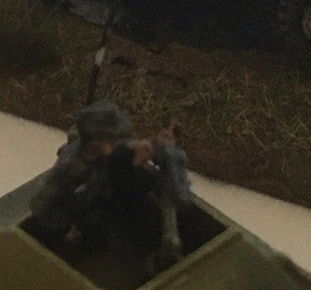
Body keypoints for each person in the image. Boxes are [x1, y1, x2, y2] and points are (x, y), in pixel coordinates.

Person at [29, 102, 191, 271]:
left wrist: (135, 152)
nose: (116, 141)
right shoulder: (69, 169)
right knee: (96, 238)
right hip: (78, 211)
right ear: (95, 142)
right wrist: (63, 229)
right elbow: (39, 203)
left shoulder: (99, 151)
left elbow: (116, 152)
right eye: (112, 138)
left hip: (100, 192)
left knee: (141, 180)